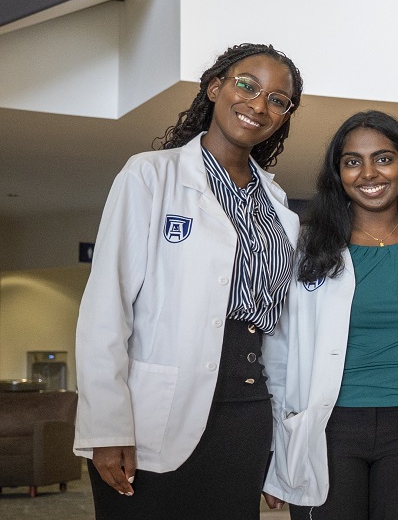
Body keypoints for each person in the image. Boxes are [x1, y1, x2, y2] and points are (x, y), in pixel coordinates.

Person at [73, 43, 303, 519]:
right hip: (154, 412)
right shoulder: (150, 176)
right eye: (247, 85)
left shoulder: (281, 209)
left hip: (248, 410)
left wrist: (282, 438)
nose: (260, 105)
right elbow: (106, 307)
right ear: (215, 87)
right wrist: (107, 427)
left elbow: (280, 333)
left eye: (278, 100)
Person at [261, 110, 398, 518]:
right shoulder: (304, 247)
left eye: (383, 158)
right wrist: (276, 447)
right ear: (338, 175)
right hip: (329, 429)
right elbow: (278, 351)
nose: (369, 173)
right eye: (352, 162)